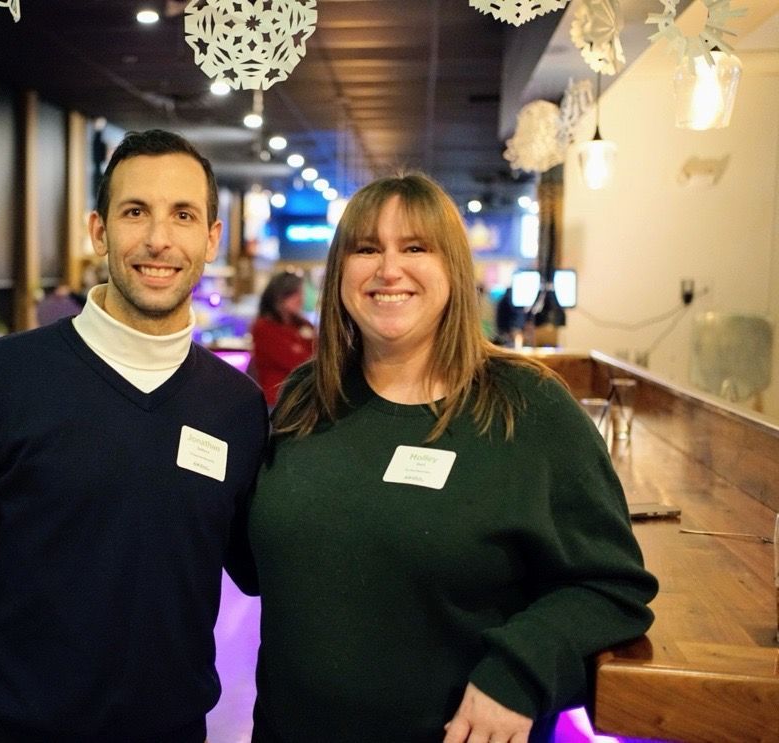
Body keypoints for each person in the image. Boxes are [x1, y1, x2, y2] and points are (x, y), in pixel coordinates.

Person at [247, 173, 657, 743]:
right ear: (340, 271)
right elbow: (256, 558)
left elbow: (610, 587)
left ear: (454, 271)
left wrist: (519, 672)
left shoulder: (528, 407)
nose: (389, 269)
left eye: (415, 248)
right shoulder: (305, 397)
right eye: (367, 249)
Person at [0, 129, 268, 743]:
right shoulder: (1, 380)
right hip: (13, 731)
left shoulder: (235, 406)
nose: (158, 239)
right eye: (135, 212)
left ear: (211, 238)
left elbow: (267, 563)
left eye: (182, 215)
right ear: (99, 231)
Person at [250, 271, 316, 407]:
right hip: (278, 402)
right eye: (295, 294)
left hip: (305, 400)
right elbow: (299, 363)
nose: (300, 299)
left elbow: (323, 352)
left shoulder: (302, 324)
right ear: (279, 296)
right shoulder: (264, 327)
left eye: (301, 293)